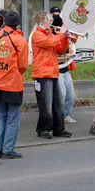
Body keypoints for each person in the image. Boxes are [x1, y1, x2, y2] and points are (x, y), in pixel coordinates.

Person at [0, 11, 28, 159]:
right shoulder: (20, 40)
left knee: (0, 117)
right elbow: (23, 65)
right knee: (13, 119)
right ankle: (8, 149)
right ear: (18, 24)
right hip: (12, 84)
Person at [31, 11, 72, 139]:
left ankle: (58, 129)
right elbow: (50, 43)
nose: (51, 22)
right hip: (42, 74)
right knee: (46, 105)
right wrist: (61, 34)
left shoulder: (50, 34)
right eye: (48, 20)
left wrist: (65, 38)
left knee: (58, 103)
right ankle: (43, 129)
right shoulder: (37, 35)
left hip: (53, 72)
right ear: (40, 22)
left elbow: (59, 49)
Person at [50, 7, 78, 124]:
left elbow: (73, 41)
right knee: (61, 94)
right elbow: (55, 46)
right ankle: (58, 116)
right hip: (56, 68)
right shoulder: (50, 33)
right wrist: (61, 35)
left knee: (70, 96)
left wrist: (69, 35)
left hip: (65, 67)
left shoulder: (65, 30)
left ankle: (66, 114)